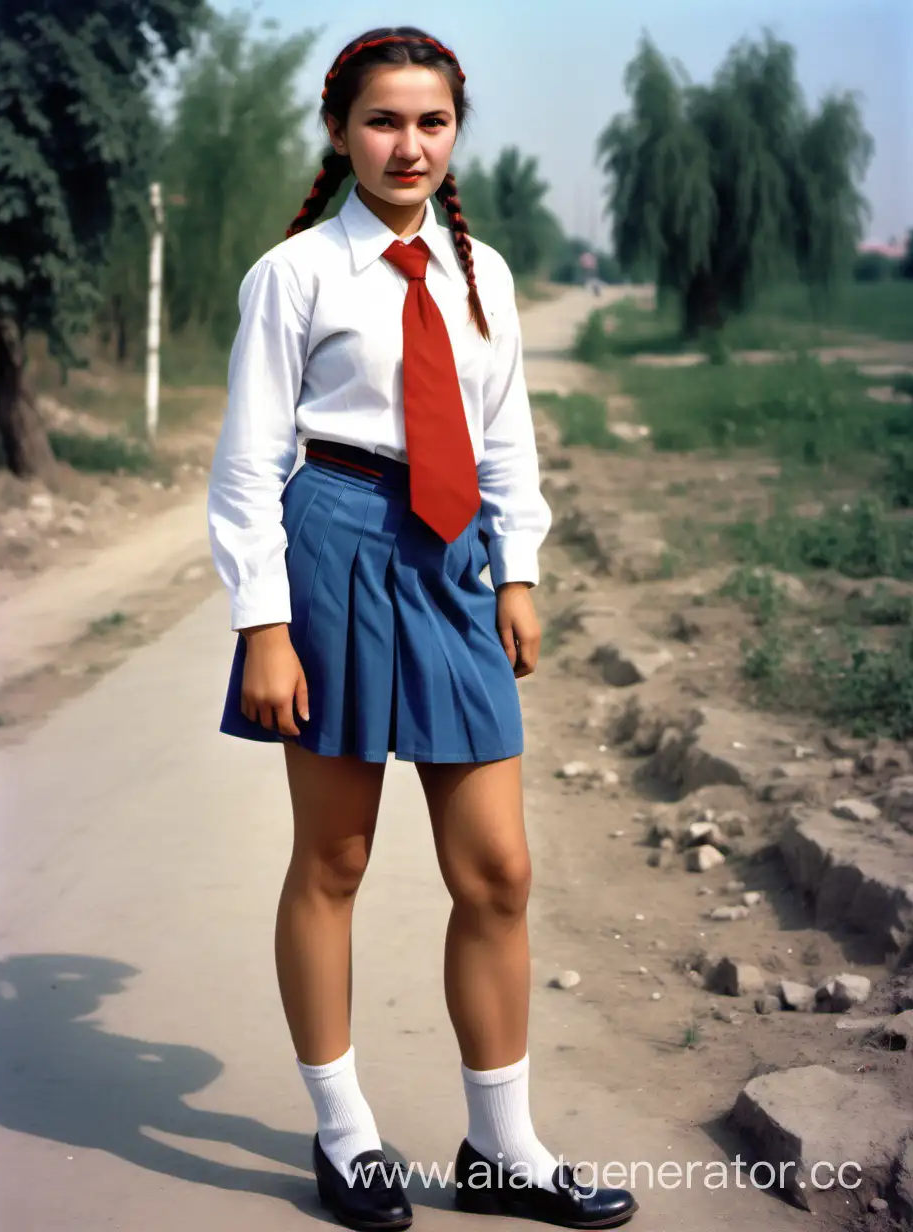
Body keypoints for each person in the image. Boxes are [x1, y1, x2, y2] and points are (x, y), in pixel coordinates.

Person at [207, 25, 638, 1231]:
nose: (409, 145)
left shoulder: (482, 272)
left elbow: (504, 437)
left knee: (496, 869)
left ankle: (503, 1147)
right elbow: (247, 471)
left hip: (452, 565)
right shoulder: (294, 275)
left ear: (456, 134)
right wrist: (264, 626)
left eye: (431, 122)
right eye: (385, 121)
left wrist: (518, 569)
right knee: (333, 861)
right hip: (333, 543)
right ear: (341, 131)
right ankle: (344, 1136)